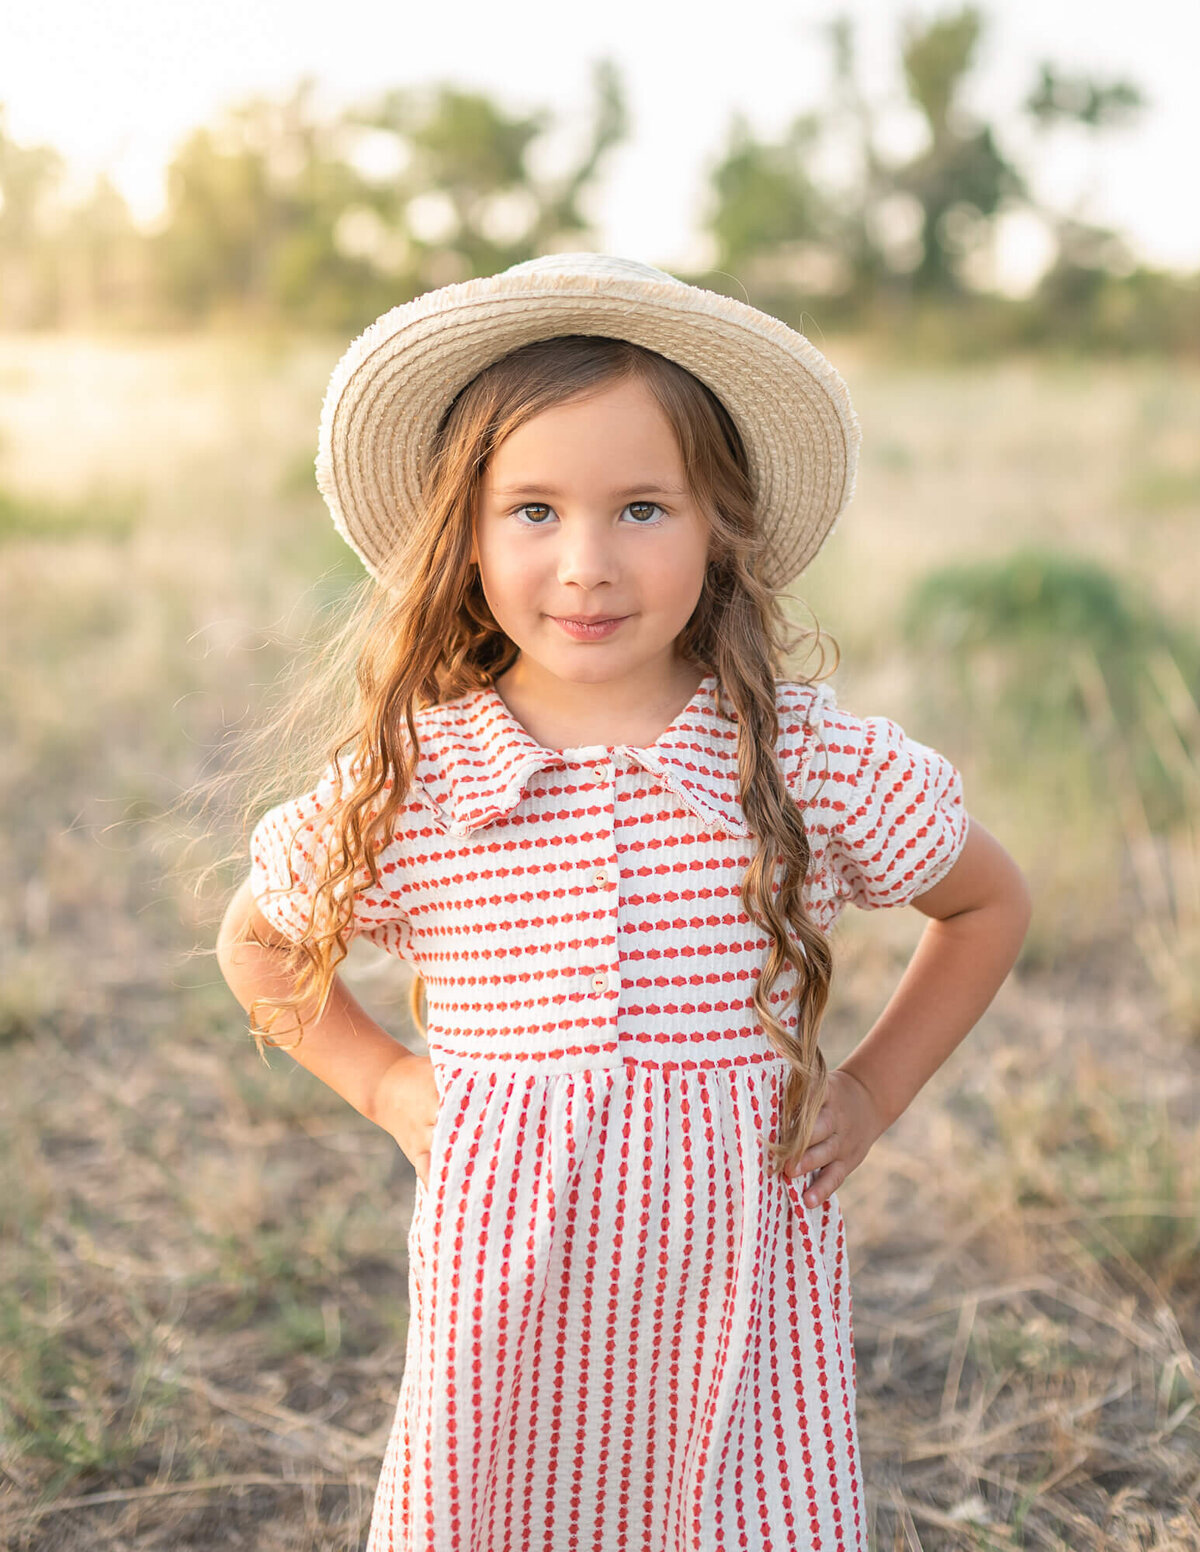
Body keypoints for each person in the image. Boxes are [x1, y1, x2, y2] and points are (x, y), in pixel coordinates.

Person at [215, 253, 1031, 1552]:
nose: (587, 563)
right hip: (513, 1302)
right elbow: (259, 943)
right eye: (531, 511)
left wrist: (871, 1092)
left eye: (642, 508)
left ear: (719, 527)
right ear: (464, 536)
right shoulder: (420, 780)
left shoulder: (800, 761)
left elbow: (986, 902)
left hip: (733, 1298)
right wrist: (386, 1087)